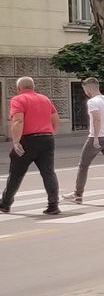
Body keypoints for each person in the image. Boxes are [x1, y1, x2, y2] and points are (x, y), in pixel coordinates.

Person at [1, 76, 61, 215]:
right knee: (48, 172)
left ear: (18, 88)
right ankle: (53, 205)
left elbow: (18, 121)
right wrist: (50, 133)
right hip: (47, 139)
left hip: (27, 140)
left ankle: (5, 204)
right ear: (33, 87)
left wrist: (16, 142)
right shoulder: (45, 99)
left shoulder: (18, 99)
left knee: (16, 173)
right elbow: (56, 119)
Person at [72, 77, 104, 205]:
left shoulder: (92, 102)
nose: (85, 92)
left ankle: (78, 195)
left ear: (89, 88)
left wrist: (95, 138)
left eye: (85, 89)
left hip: (97, 136)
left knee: (83, 165)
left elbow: (97, 119)